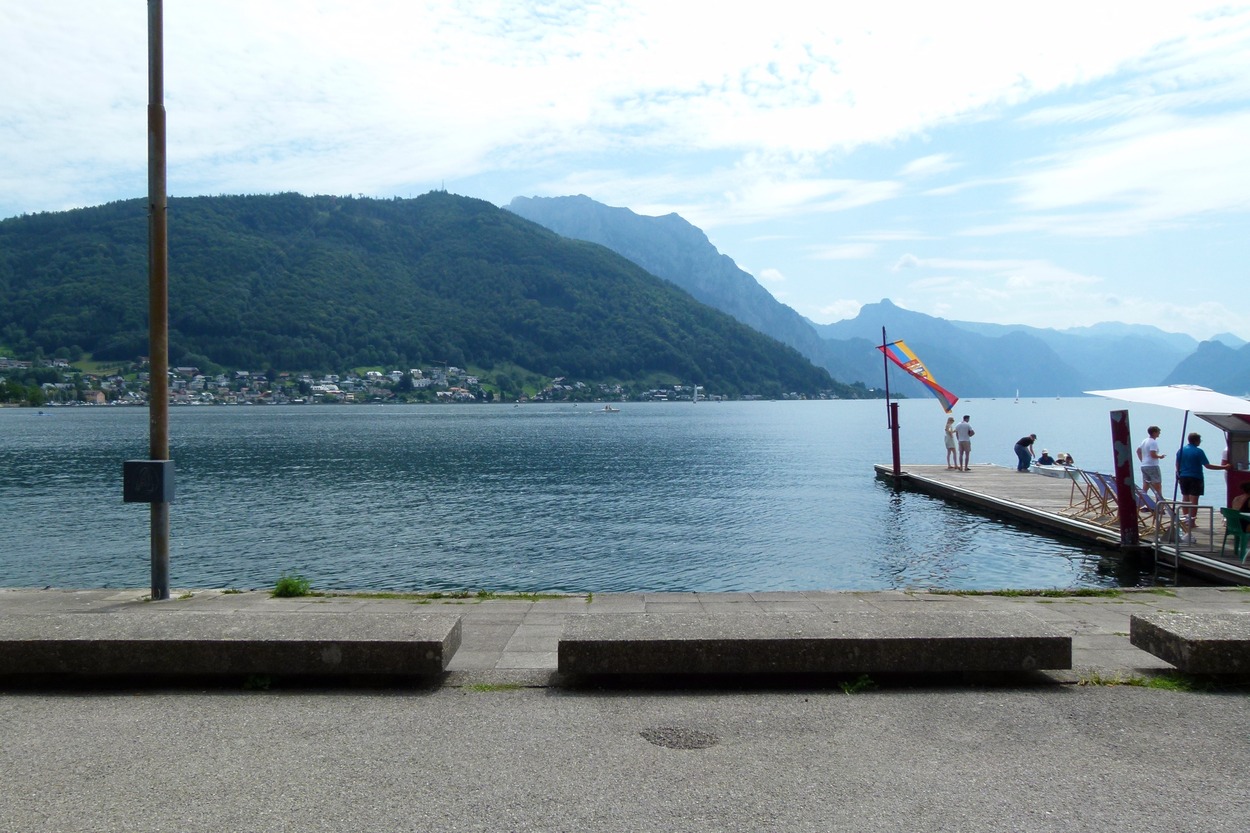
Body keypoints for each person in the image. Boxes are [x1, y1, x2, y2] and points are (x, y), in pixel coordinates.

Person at [1175, 432, 1230, 543]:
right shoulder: (1198, 451)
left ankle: (1186, 519)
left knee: (1185, 497)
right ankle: (1192, 521)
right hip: (1195, 477)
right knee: (1194, 500)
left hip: (1183, 476)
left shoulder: (1180, 450)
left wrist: (1179, 473)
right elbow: (1207, 465)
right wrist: (1225, 467)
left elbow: (1177, 464)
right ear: (1196, 440)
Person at [1136, 426, 1166, 501]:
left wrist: (1143, 460)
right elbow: (1153, 454)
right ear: (1154, 432)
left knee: (1146, 485)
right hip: (1152, 466)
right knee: (1158, 485)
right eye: (1158, 431)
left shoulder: (1144, 441)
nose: (1159, 433)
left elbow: (1138, 451)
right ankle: (1159, 504)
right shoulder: (1153, 442)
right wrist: (1160, 456)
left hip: (1144, 465)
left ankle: (1142, 502)